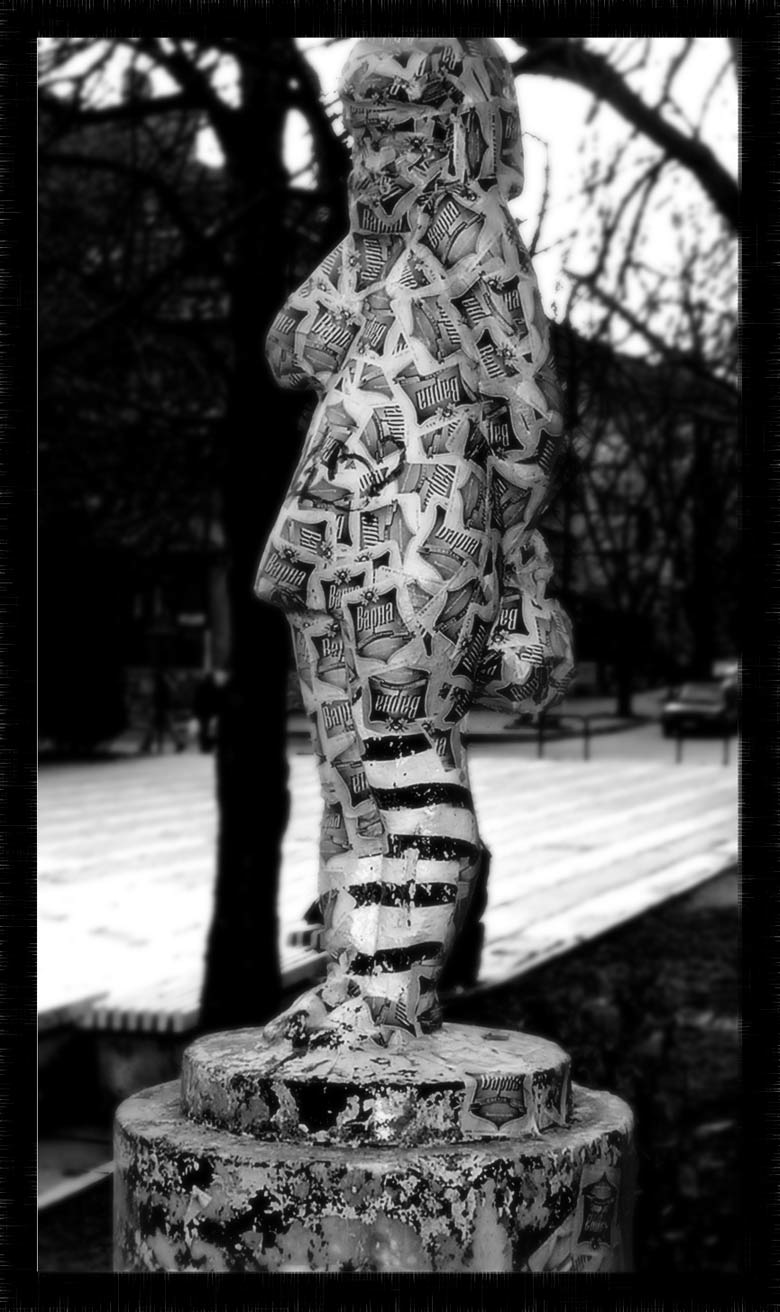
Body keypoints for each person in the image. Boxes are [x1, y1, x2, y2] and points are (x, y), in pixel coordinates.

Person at [255, 38, 570, 1049]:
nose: (376, 161)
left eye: (401, 133)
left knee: (403, 750)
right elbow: (288, 348)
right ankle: (350, 973)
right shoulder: (374, 248)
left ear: (460, 133)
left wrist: (512, 557)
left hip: (429, 539)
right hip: (332, 536)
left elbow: (527, 411)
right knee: (346, 767)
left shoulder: (472, 230)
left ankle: (397, 986)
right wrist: (368, 269)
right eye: (362, 137)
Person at [139, 667, 186, 754]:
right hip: (165, 709)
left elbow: (157, 697)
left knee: (154, 727)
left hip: (161, 709)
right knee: (168, 728)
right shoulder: (166, 683)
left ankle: (147, 745)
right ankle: (178, 743)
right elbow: (169, 696)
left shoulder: (161, 684)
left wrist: (153, 706)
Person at [192, 670, 221, 753]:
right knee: (211, 729)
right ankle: (210, 744)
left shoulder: (200, 686)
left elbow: (196, 699)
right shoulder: (215, 687)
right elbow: (218, 700)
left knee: (203, 728)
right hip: (211, 711)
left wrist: (195, 711)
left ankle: (204, 745)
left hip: (202, 711)